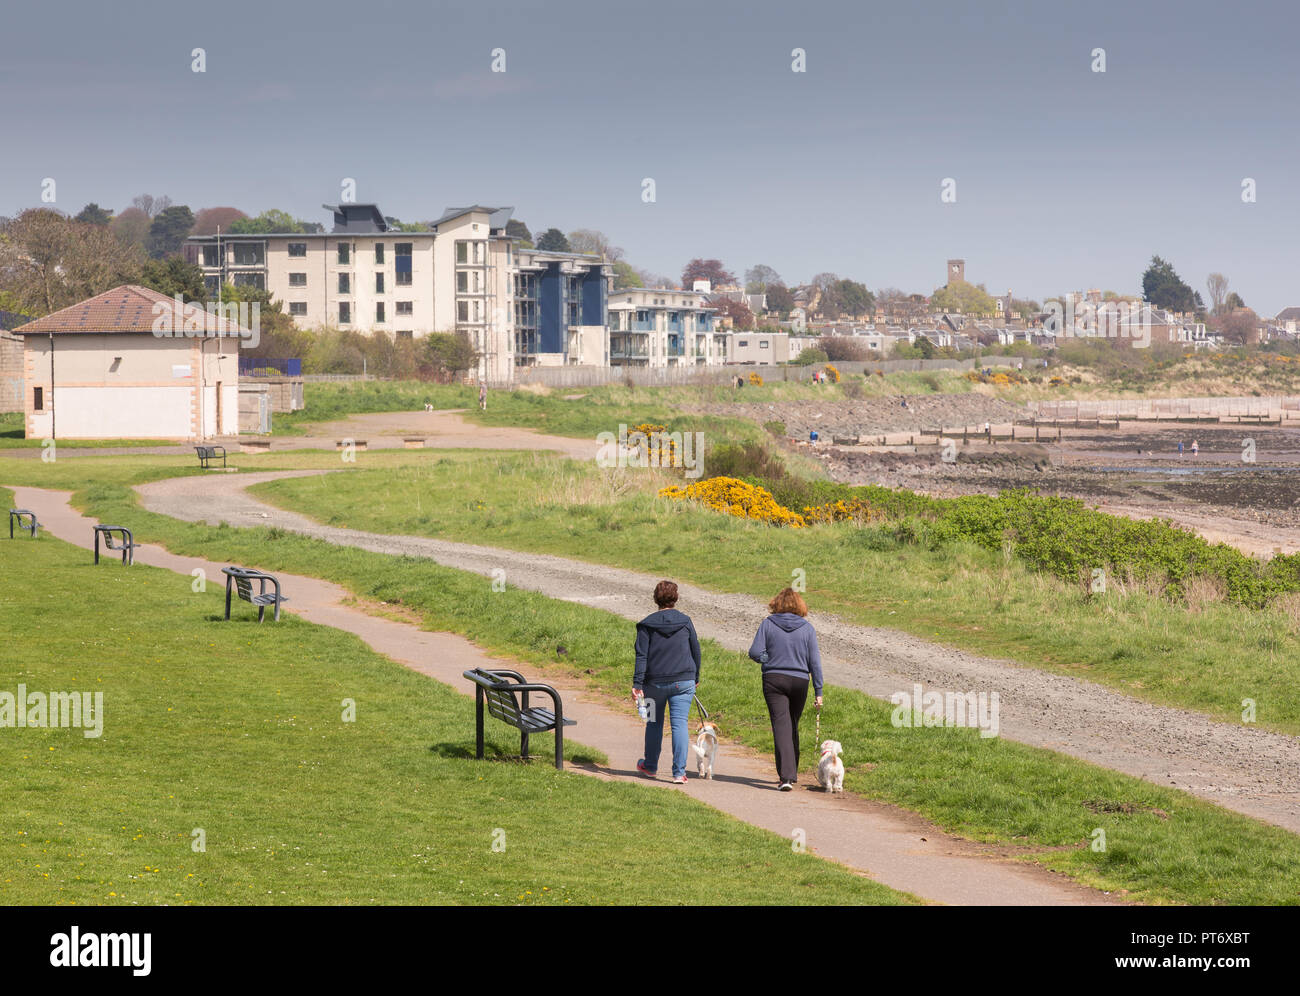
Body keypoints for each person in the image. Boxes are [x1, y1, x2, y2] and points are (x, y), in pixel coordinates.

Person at [748, 588, 823, 791]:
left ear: (776, 604)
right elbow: (814, 662)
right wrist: (819, 691)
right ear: (799, 605)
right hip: (800, 680)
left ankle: (786, 777)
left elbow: (755, 652)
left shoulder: (768, 624)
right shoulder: (807, 628)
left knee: (781, 725)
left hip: (774, 679)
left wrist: (768, 659)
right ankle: (792, 771)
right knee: (792, 723)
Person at [632, 581, 701, 784]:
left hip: (653, 685)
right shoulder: (686, 621)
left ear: (656, 598)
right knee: (679, 724)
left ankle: (650, 766)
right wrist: (695, 677)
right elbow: (695, 650)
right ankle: (679, 773)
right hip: (684, 681)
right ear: (676, 598)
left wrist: (637, 684)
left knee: (653, 723)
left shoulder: (646, 625)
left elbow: (641, 656)